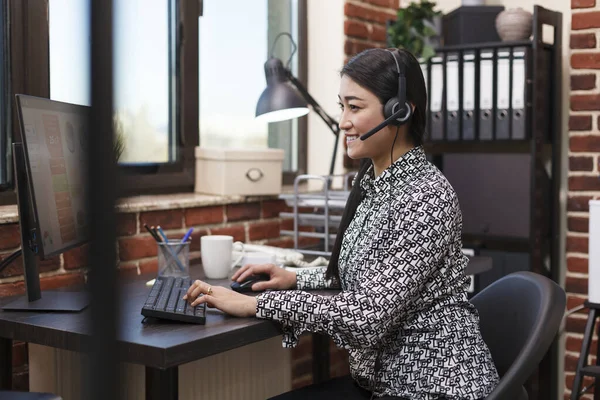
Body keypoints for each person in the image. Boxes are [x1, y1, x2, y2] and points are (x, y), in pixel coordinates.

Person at [183, 48, 500, 399]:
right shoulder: (375, 185)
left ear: (400, 111)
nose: (343, 121)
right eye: (342, 106)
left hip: (431, 387)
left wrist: (256, 303)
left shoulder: (426, 197)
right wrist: (294, 278)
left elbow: (365, 316)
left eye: (356, 107)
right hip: (384, 384)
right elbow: (367, 276)